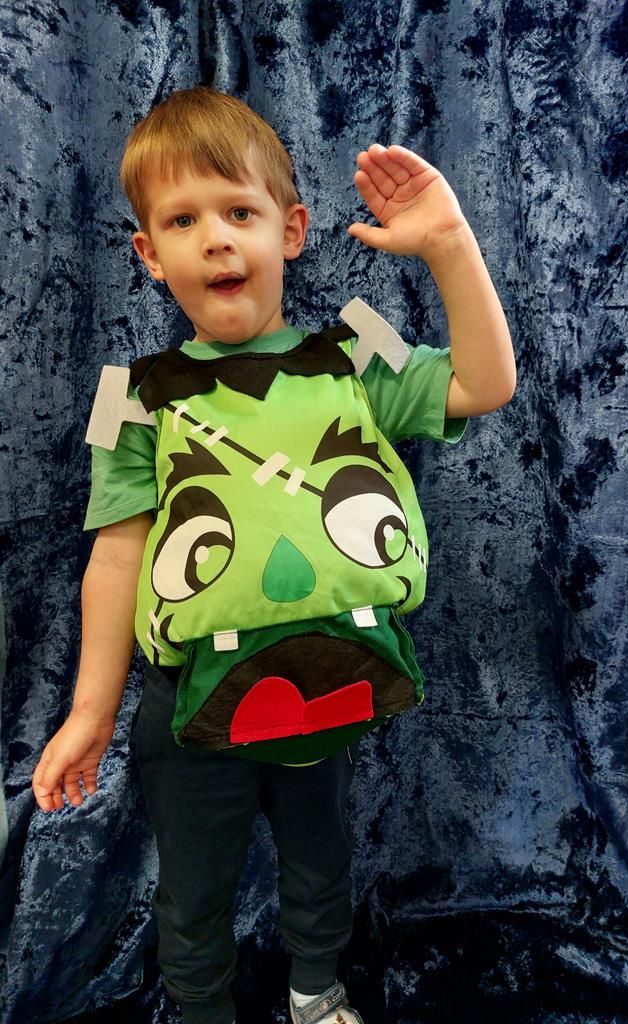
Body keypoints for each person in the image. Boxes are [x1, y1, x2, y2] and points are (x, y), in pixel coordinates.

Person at [31, 86, 515, 1024]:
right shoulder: (128, 395)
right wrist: (90, 712)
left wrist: (449, 244)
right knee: (192, 889)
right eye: (183, 220)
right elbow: (116, 560)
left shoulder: (358, 351)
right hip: (187, 704)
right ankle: (201, 1010)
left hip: (328, 677)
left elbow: (484, 383)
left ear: (290, 231)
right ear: (149, 254)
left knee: (320, 860)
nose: (215, 239)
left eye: (239, 212)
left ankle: (315, 993)